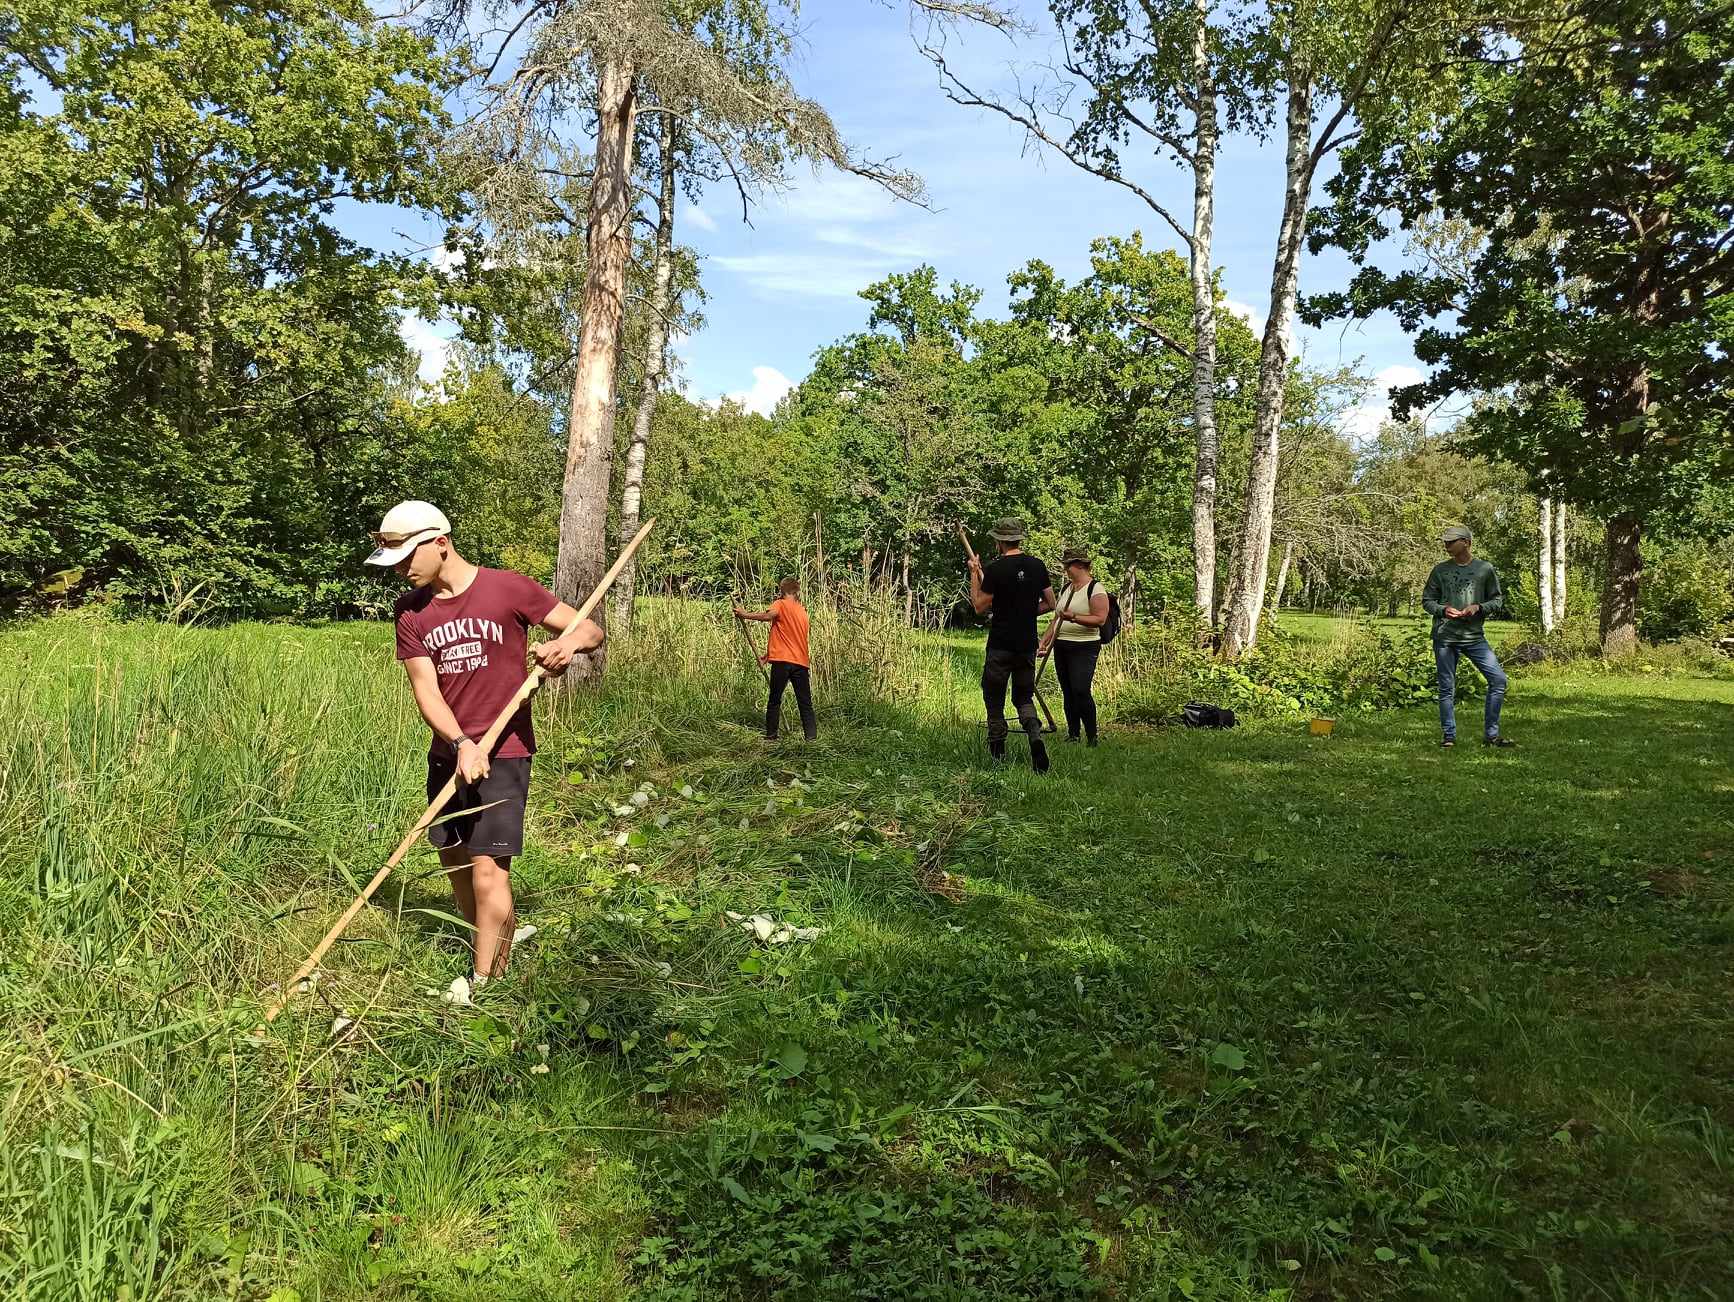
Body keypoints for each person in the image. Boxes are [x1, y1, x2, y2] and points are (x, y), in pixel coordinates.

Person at [366, 500, 604, 1004]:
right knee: (453, 859)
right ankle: (492, 943)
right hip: (450, 751)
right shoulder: (410, 612)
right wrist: (461, 743)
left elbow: (589, 629)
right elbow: (425, 689)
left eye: (409, 557)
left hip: (506, 750)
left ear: (441, 542)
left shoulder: (508, 588)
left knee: (488, 867)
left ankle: (486, 987)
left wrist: (565, 647)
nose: (403, 571)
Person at [968, 516, 1057, 771]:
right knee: (1024, 697)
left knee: (994, 698)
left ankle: (997, 755)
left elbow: (978, 606)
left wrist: (975, 573)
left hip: (1000, 645)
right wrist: (1027, 612)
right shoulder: (1037, 566)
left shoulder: (995, 570)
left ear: (999, 542)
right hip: (1026, 644)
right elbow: (1052, 604)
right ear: (1019, 539)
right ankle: (1035, 737)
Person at [1422, 524, 1514, 749]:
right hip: (1444, 637)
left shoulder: (1485, 569)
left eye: (1451, 541)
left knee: (1498, 680)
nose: (1447, 545)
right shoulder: (1440, 570)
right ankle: (1449, 737)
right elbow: (1427, 601)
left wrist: (1479, 608)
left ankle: (1491, 736)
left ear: (1466, 542)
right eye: (1445, 541)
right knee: (1446, 687)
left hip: (1474, 637)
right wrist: (1443, 609)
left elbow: (1497, 600)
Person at [1040, 546, 1110, 746]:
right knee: (1068, 690)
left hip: (1085, 647)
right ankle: (1073, 734)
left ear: (1079, 565)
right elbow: (1055, 619)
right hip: (1062, 645)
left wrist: (1075, 617)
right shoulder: (1067, 588)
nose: (1065, 570)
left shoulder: (1095, 589)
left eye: (1068, 566)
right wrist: (1045, 640)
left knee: (1080, 689)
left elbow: (1100, 619)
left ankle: (1091, 736)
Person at [734, 577, 817, 742]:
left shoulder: (780, 604)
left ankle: (771, 736)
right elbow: (789, 636)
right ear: (796, 591)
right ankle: (811, 738)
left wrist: (745, 614)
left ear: (782, 590)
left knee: (774, 700)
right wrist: (769, 655)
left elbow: (769, 616)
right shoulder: (802, 611)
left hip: (783, 662)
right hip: (800, 662)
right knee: (805, 702)